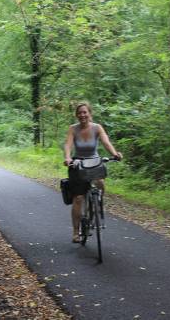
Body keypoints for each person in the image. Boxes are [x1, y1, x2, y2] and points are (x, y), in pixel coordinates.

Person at [63, 102, 122, 243]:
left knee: (100, 183)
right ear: (76, 115)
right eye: (80, 113)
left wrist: (115, 153)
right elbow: (68, 145)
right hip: (78, 163)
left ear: (90, 113)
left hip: (94, 162)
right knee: (78, 198)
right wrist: (67, 157)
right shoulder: (73, 129)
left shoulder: (97, 128)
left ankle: (97, 204)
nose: (82, 115)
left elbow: (106, 142)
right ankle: (76, 232)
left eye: (85, 112)